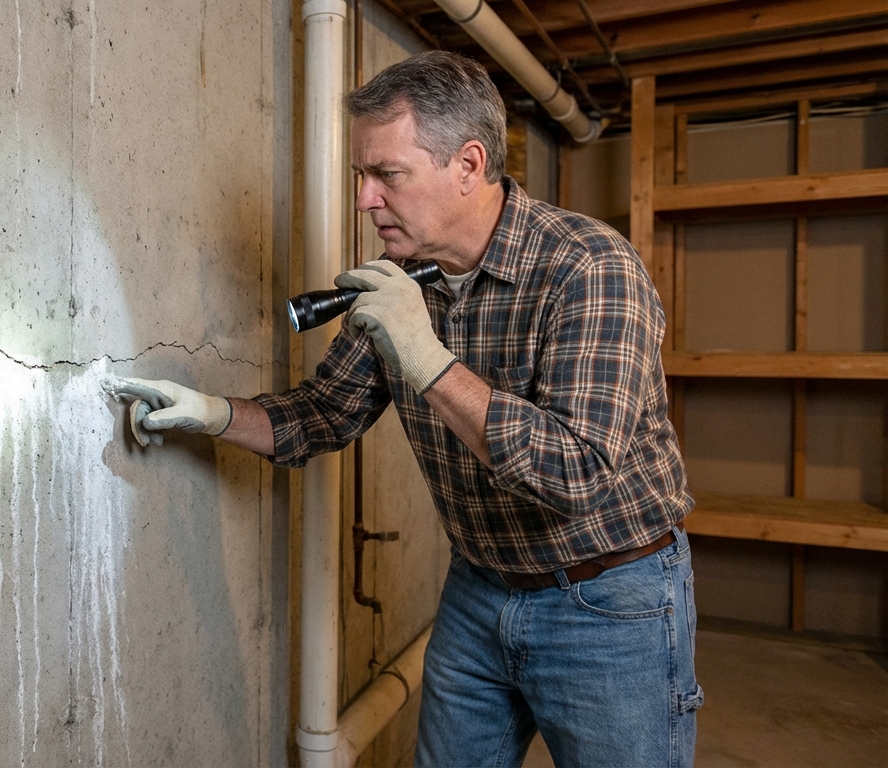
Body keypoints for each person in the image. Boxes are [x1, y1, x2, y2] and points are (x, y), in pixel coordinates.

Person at [110, 50, 700, 767]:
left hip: (607, 602)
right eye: (361, 175)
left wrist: (426, 359)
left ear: (469, 164)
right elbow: (320, 415)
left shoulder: (590, 269)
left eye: (386, 174)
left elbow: (572, 475)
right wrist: (210, 413)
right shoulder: (407, 284)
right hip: (480, 586)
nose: (364, 199)